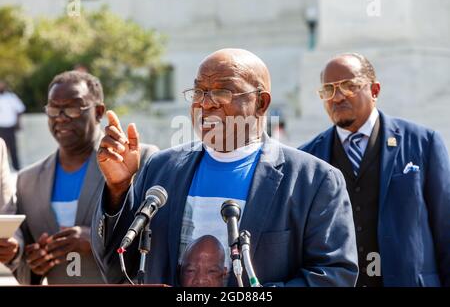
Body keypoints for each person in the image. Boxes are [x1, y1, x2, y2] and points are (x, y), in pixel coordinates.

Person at [91, 48, 358, 287]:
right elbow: (117, 271)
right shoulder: (160, 170)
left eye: (222, 91)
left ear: (261, 103)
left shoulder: (314, 180)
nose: (206, 103)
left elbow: (334, 275)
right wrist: (118, 189)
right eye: (199, 92)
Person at [300, 53, 450, 287]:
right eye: (329, 90)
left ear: (375, 90)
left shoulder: (424, 143)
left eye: (349, 86)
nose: (337, 97)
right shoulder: (308, 158)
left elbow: (446, 228)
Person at [1, 71, 158, 284]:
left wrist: (96, 239)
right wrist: (33, 260)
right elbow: (25, 262)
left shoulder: (140, 161)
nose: (61, 117)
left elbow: (161, 238)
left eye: (73, 108)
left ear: (98, 112)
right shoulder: (28, 180)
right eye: (54, 109)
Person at [0, 81, 25, 171]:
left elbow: (19, 110)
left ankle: (17, 169)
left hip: (10, 127)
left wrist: (19, 123)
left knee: (13, 149)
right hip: (0, 128)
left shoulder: (11, 97)